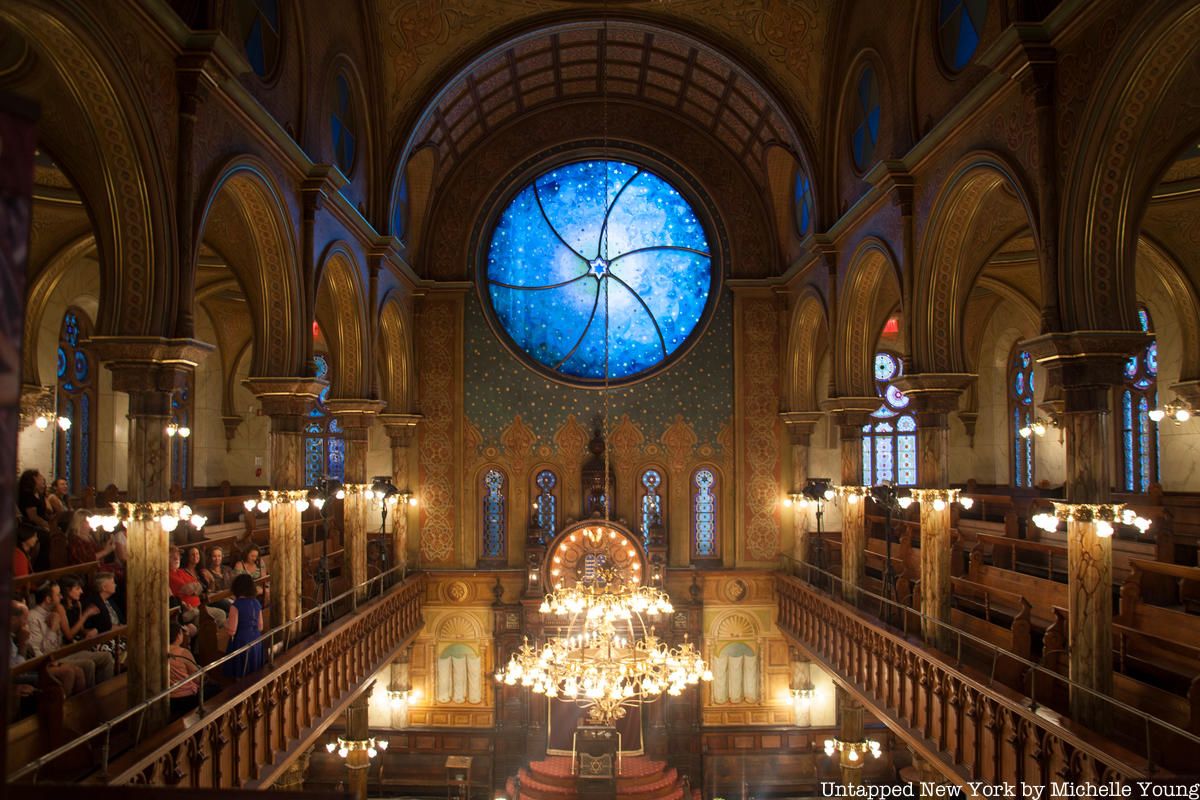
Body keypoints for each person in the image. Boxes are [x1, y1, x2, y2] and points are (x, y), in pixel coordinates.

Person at [27, 582, 114, 687]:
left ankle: (106, 691)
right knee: (88, 664)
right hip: (50, 660)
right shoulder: (33, 617)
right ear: (48, 599)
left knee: (106, 657)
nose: (61, 596)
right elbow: (42, 652)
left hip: (62, 651)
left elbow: (60, 642)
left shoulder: (53, 612)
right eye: (58, 595)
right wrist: (52, 629)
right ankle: (90, 699)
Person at [11, 600, 85, 701]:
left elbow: (34, 653)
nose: (25, 623)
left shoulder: (17, 633)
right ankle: (59, 709)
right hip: (15, 677)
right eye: (24, 619)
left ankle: (79, 708)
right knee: (67, 672)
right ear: (13, 619)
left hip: (31, 666)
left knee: (77, 671)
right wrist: (23, 644)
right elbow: (17, 671)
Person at [169, 547, 225, 627]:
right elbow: (188, 589)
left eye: (178, 555)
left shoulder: (181, 571)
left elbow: (199, 586)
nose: (176, 558)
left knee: (223, 612)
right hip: (190, 609)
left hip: (200, 605)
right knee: (221, 615)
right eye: (172, 556)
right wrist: (194, 587)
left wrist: (195, 587)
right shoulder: (169, 575)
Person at [224, 573, 264, 679]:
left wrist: (225, 623)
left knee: (242, 675)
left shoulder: (236, 605)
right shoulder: (256, 603)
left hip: (242, 642)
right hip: (256, 640)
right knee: (254, 673)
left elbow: (232, 631)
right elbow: (260, 626)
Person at [167, 622, 211, 715]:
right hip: (187, 697)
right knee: (216, 690)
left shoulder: (159, 652)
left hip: (168, 697)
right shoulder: (183, 652)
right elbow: (197, 678)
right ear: (178, 635)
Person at [17, 470, 52, 570]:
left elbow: (48, 510)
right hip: (28, 526)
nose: (42, 479)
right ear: (34, 479)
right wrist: (47, 525)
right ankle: (40, 569)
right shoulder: (27, 494)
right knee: (45, 536)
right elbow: (33, 517)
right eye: (40, 477)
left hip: (40, 524)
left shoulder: (39, 494)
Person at [66, 510, 118, 574]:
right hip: (85, 574)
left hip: (96, 569)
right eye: (88, 521)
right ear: (79, 523)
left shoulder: (89, 536)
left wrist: (107, 547)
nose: (91, 524)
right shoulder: (75, 539)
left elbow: (98, 552)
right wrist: (105, 551)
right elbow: (85, 561)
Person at [58, 575, 100, 641]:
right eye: (77, 588)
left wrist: (93, 631)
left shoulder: (77, 604)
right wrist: (85, 615)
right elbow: (69, 636)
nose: (81, 591)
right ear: (67, 590)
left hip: (79, 640)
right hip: (67, 645)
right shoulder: (60, 607)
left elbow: (80, 630)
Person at [199, 546, 234, 614]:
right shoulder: (206, 572)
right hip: (218, 600)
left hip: (231, 596)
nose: (217, 558)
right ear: (210, 557)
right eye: (214, 556)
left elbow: (234, 585)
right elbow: (210, 593)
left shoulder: (227, 569)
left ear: (222, 556)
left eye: (219, 556)